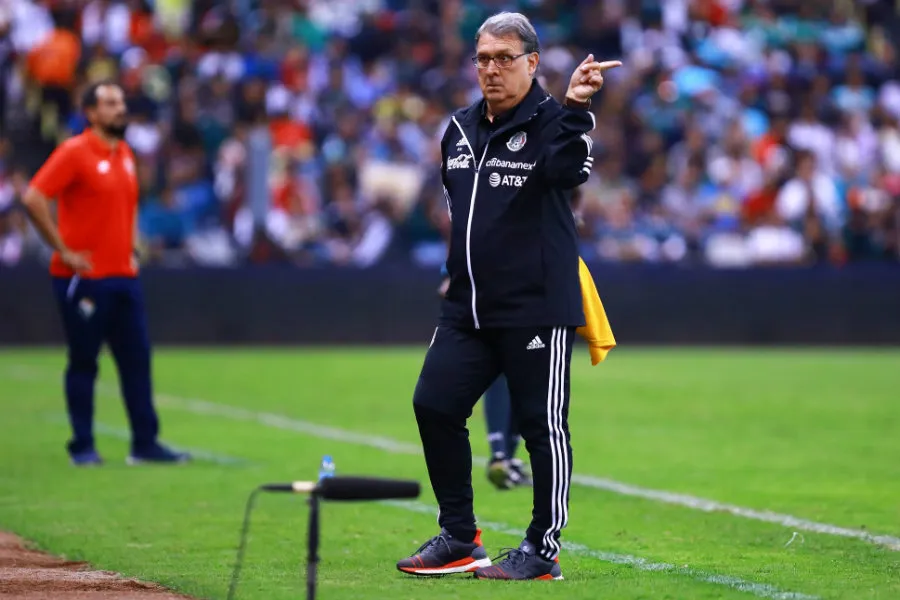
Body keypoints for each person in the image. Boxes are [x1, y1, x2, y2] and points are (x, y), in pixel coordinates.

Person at [397, 12, 620, 581]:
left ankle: (542, 548)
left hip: (535, 306)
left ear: (532, 63)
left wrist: (576, 109)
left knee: (542, 426)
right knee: (434, 404)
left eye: (504, 58)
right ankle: (459, 535)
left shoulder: (556, 122)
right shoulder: (458, 128)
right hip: (468, 307)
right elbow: (462, 213)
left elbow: (570, 172)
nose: (492, 70)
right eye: (484, 59)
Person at [21, 80, 190, 467]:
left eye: (121, 103)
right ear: (91, 113)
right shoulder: (75, 152)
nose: (120, 109)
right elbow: (33, 197)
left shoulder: (125, 154)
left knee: (137, 360)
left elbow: (123, 209)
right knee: (85, 360)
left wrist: (132, 245)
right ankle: (82, 445)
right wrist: (63, 249)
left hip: (123, 276)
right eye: (111, 103)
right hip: (84, 278)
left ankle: (144, 444)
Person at [438, 268, 532, 491]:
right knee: (515, 374)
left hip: (508, 296)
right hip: (510, 298)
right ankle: (502, 457)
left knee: (516, 375)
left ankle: (503, 458)